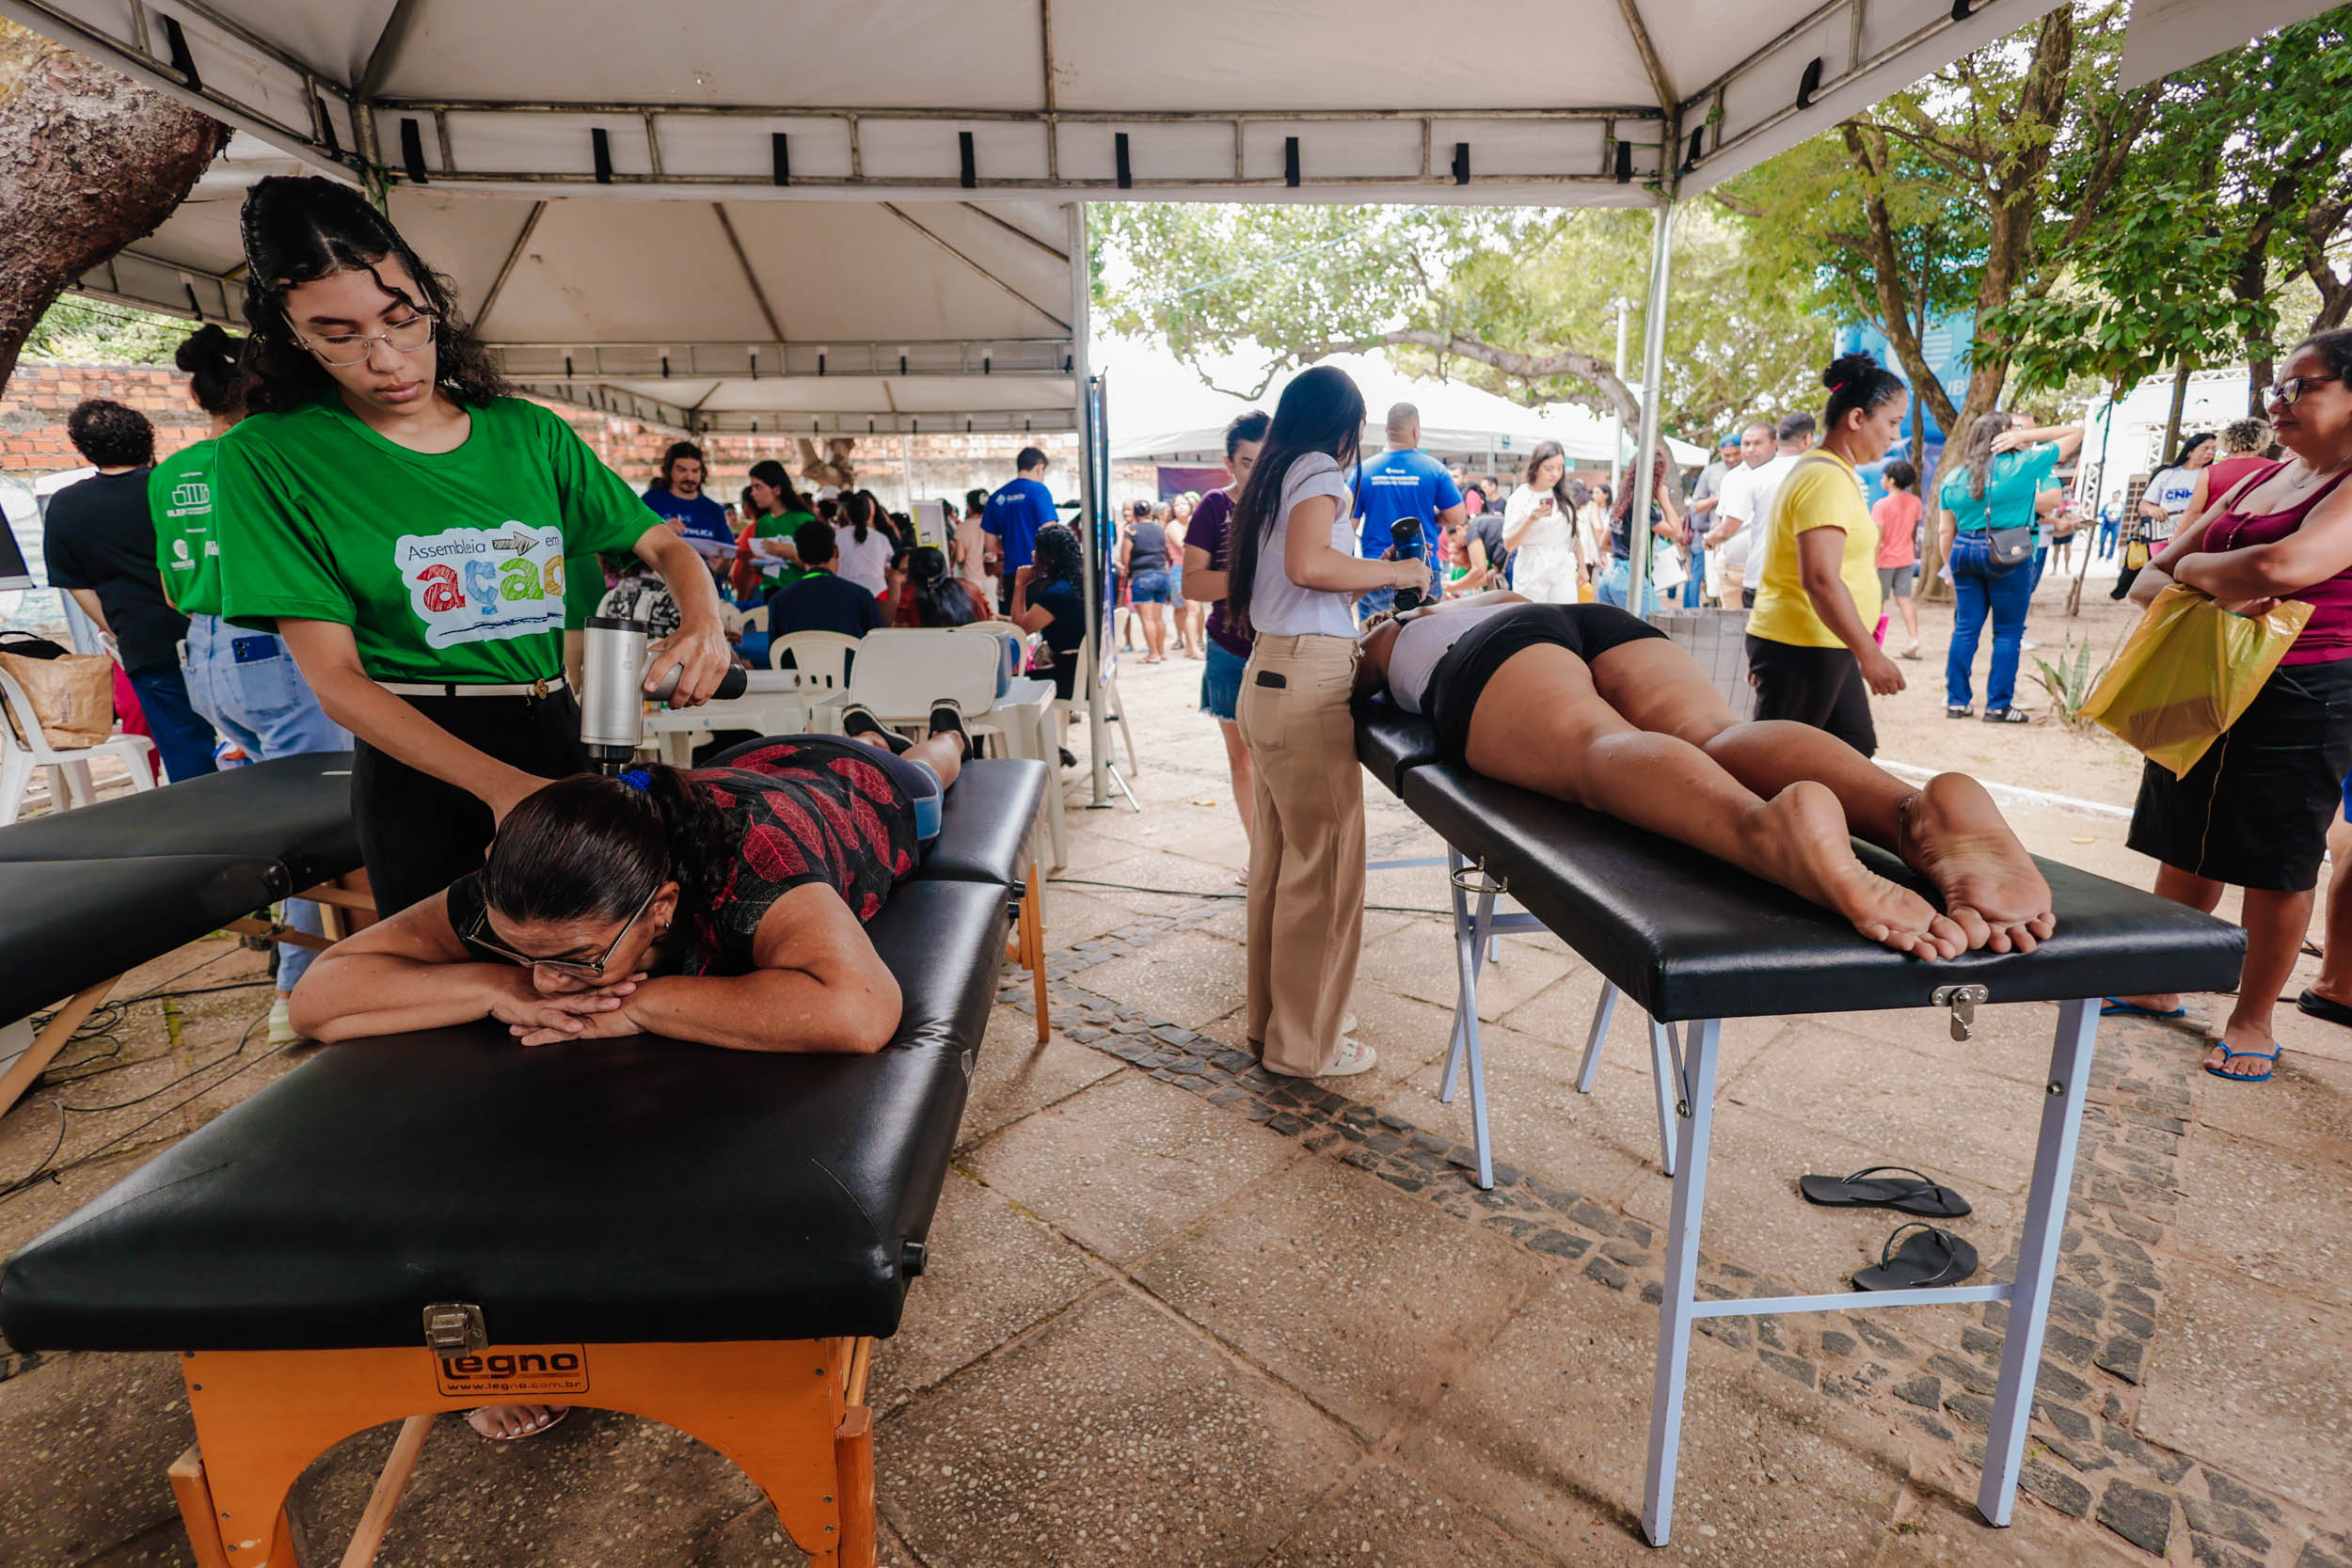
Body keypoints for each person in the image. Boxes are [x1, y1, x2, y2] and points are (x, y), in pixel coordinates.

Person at [291, 717, 966, 1439]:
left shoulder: (759, 868)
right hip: (722, 773)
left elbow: (861, 1010)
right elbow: (319, 996)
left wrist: (644, 1003)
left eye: (576, 958)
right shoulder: (535, 893)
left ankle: (930, 732)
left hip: (851, 790)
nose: (549, 978)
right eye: (524, 953)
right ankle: (871, 731)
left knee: (929, 771)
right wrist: (496, 985)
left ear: (663, 910)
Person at [213, 177, 732, 917]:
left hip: (553, 727)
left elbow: (660, 541)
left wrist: (701, 620)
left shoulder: (527, 432)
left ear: (433, 299)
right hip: (421, 756)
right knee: (452, 984)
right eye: (339, 337)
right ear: (291, 336)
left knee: (593, 962)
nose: (387, 360)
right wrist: (500, 789)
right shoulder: (269, 457)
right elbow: (336, 680)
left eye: (403, 319)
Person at [1357, 594, 2054, 956]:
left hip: (1488, 653)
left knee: (1595, 747)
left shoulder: (1400, 627)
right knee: (1716, 734)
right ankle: (1910, 811)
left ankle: (1762, 829)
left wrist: (1381, 629)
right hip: (1595, 619)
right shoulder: (1495, 593)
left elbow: (1354, 678)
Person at [2106, 333, 2352, 1083]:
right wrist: (2215, 577)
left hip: (2304, 688)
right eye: (2277, 386)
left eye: (2300, 386)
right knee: (2188, 834)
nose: (2277, 402)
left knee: (2277, 859)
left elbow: (2288, 565)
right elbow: (2149, 579)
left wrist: (2197, 572)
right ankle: (2158, 977)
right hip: (2211, 670)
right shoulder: (2263, 481)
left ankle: (2253, 1018)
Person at [152, 326, 351, 1044]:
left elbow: (174, 590)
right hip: (277, 645)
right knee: (320, 817)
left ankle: (291, 946)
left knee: (278, 806)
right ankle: (296, 990)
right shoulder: (272, 457)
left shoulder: (171, 473)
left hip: (205, 655)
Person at [1227, 366, 1426, 1079]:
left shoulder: (1273, 473)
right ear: (1342, 423)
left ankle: (1273, 1027)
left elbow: (1290, 568)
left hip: (1269, 673)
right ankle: (1307, 1046)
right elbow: (1310, 564)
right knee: (1328, 871)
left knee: (1281, 868)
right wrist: (1394, 573)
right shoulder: (1317, 469)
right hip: (1306, 681)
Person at [42, 400, 218, 784]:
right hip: (217, 626)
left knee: (185, 747)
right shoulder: (174, 485)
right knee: (258, 736)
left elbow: (75, 584)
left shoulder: (67, 505)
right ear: (147, 437)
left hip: (146, 643)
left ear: (83, 447)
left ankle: (212, 829)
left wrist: (120, 630)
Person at [1745, 354, 1912, 757]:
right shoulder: (1824, 477)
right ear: (1856, 418)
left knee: (1853, 750)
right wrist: (1870, 655)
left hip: (1822, 641)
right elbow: (1819, 578)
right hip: (1802, 643)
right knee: (1773, 766)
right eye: (1891, 423)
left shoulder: (1830, 472)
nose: (1895, 436)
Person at [1935, 412, 2085, 722]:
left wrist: (1950, 567)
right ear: (2004, 436)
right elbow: (2076, 431)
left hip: (1963, 550)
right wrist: (2025, 438)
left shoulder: (1953, 477)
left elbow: (1944, 531)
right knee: (2007, 633)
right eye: (2011, 431)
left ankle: (1956, 702)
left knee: (1965, 629)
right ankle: (1997, 706)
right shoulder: (2025, 463)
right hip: (2008, 551)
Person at [1182, 409, 1270, 850]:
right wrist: (1251, 579)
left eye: (1266, 459)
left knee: (1283, 761)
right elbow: (1193, 583)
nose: (1257, 471)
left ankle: (1288, 856)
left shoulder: (1295, 508)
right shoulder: (1215, 505)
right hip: (1230, 649)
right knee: (1244, 760)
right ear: (1230, 462)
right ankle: (1261, 857)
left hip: (1286, 651)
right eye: (1248, 461)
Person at [1352, 403, 1466, 617]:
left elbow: (1348, 525)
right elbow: (1457, 516)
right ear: (1416, 431)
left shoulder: (1363, 470)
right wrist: (1432, 518)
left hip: (1376, 569)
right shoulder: (1434, 469)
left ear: (1387, 431)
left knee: (1373, 641)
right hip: (1421, 568)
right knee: (1426, 642)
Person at [2113, 432, 2215, 600]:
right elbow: (2143, 504)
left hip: (2192, 535)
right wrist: (2153, 510)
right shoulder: (2167, 475)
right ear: (2189, 451)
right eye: (2205, 448)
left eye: (2213, 449)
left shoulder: (2210, 474)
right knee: (2163, 577)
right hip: (2161, 536)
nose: (2210, 452)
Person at [1595, 452, 1688, 614]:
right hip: (1630, 577)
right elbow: (1676, 531)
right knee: (1654, 631)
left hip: (1610, 575)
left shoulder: (1621, 503)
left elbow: (1604, 544)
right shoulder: (1642, 508)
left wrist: (1627, 552)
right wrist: (1664, 499)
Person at [1009, 521, 1089, 703]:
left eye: (1037, 551)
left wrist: (1019, 585)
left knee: (1011, 685)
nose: (1033, 556)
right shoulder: (1083, 583)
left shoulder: (1058, 594)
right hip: (1091, 673)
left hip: (1070, 678)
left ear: (1049, 557)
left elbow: (1019, 629)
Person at [767, 518, 883, 639]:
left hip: (802, 658)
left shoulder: (778, 601)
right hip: (850, 658)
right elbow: (877, 644)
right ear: (836, 552)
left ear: (798, 556)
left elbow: (775, 652)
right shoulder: (861, 596)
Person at [1705, 421, 1778, 608]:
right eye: (1746, 444)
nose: (1751, 449)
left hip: (1770, 574)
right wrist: (1718, 555)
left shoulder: (1785, 474)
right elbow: (1720, 518)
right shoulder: (1732, 477)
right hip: (1732, 571)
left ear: (1774, 443)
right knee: (1731, 630)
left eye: (1757, 443)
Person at [1499, 441, 1582, 603]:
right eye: (1549, 468)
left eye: (1560, 468)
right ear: (1536, 467)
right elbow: (1509, 544)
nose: (1555, 474)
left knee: (1565, 618)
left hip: (1562, 566)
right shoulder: (1521, 496)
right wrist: (1530, 520)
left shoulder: (1563, 495)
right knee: (1535, 621)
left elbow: (1574, 532)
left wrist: (1582, 565)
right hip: (1532, 570)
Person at [982, 448, 1058, 613]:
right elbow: (1051, 534)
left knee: (1017, 629)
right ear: (1039, 467)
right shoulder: (1039, 491)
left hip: (1012, 575)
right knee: (1041, 630)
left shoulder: (996, 497)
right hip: (1039, 573)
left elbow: (990, 546)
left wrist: (1012, 541)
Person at [643, 441, 733, 566]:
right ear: (669, 471)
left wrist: (722, 566)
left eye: (695, 471)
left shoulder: (714, 510)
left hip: (706, 582)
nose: (690, 477)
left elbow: (728, 558)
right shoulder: (651, 500)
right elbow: (634, 544)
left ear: (702, 472)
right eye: (682, 470)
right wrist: (662, 533)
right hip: (661, 581)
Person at [1872, 459, 1924, 659]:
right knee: (1905, 600)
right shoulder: (1915, 502)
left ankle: (1875, 645)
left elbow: (1879, 536)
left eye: (1883, 477)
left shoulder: (1881, 505)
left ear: (1891, 481)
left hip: (1884, 560)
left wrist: (1873, 560)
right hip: (1906, 558)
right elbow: (1912, 532)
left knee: (1878, 603)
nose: (1881, 480)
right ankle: (1913, 639)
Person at [1121, 497, 1173, 662]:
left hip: (1142, 577)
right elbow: (1166, 552)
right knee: (1158, 618)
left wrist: (1128, 571)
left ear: (1135, 514)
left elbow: (1125, 557)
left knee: (1147, 619)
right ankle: (1161, 652)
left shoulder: (1131, 530)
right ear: (1150, 513)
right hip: (1162, 575)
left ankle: (1153, 654)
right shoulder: (1160, 528)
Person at [888, 544, 992, 627]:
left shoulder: (908, 595)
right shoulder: (971, 588)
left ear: (912, 571)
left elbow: (900, 633)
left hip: (928, 651)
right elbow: (989, 618)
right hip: (975, 648)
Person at [832, 491, 897, 597]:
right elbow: (890, 568)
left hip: (846, 593)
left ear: (846, 513)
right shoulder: (882, 538)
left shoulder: (836, 537)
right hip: (878, 594)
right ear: (870, 514)